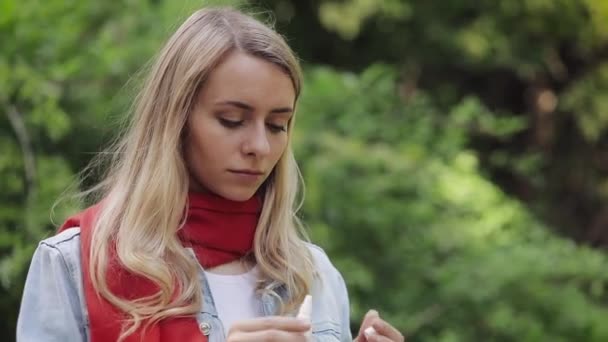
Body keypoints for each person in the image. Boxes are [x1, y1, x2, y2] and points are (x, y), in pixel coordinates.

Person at [16, 7, 404, 342]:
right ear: (175, 121)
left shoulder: (314, 274)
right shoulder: (75, 264)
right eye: (232, 120)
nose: (260, 146)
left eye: (276, 125)